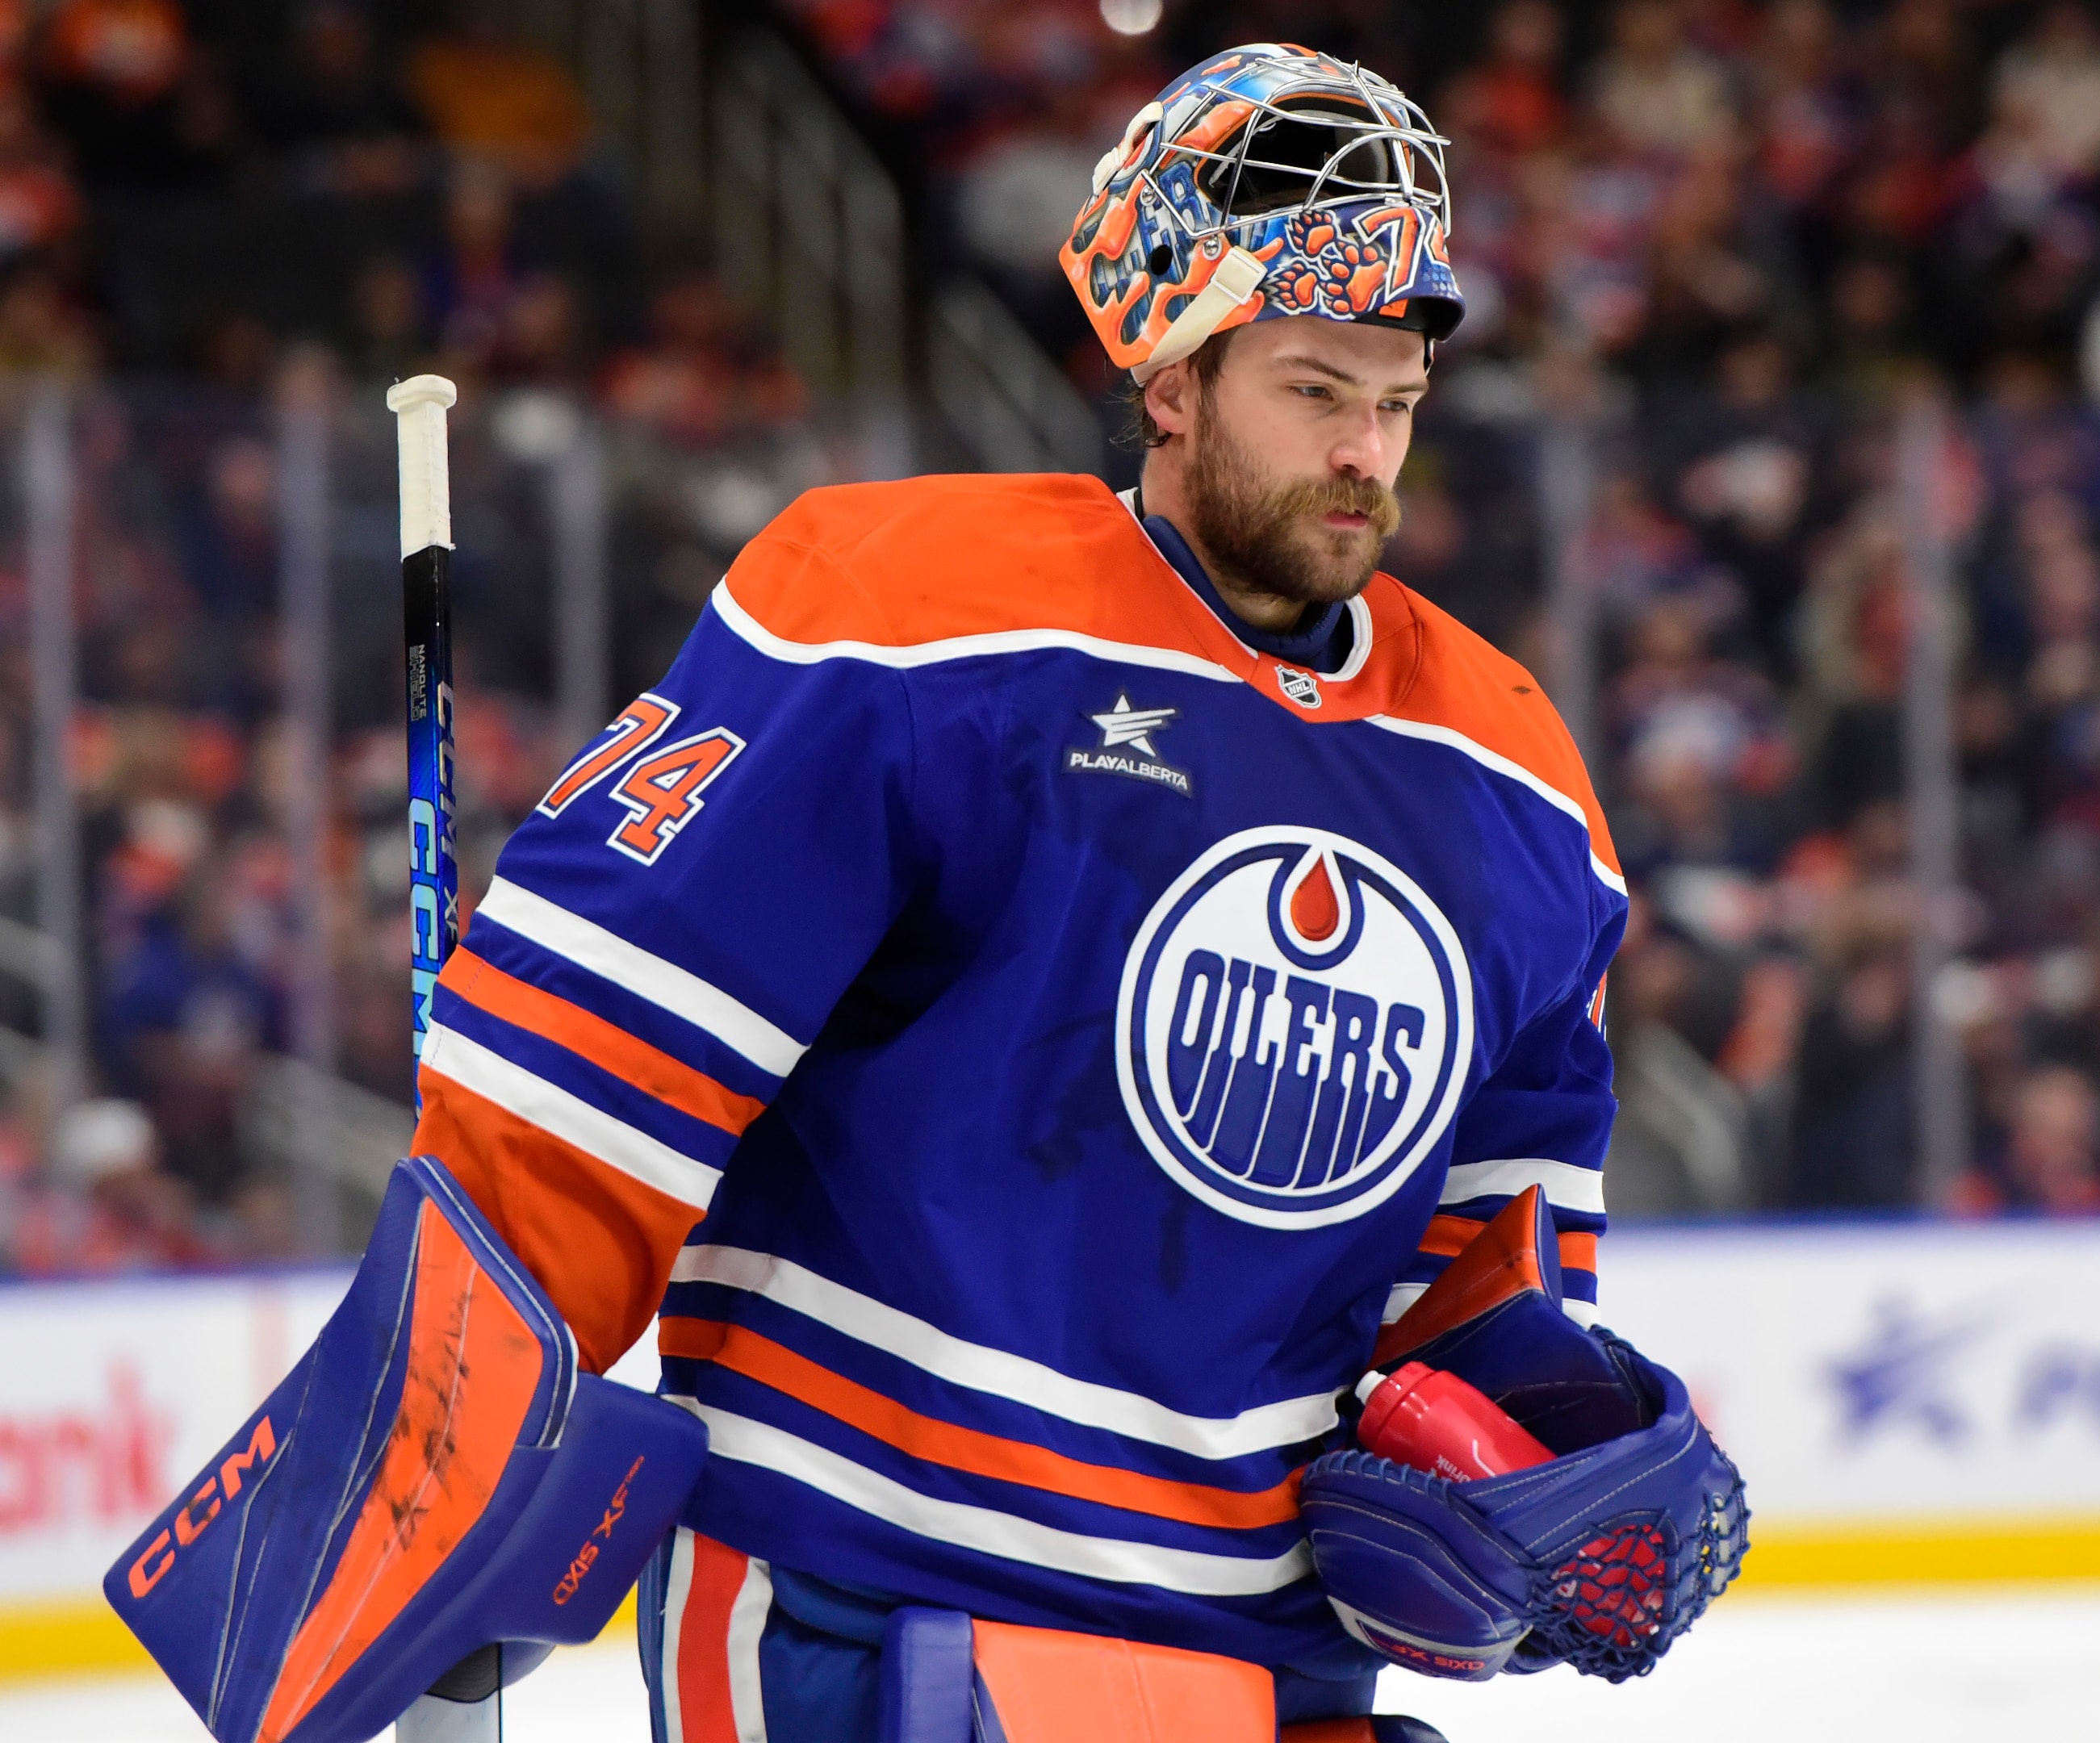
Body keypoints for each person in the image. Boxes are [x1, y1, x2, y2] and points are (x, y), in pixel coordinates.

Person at [206, 45, 1730, 1743]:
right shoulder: (907, 616)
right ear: (1169, 374)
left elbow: (1480, 1264)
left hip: (1268, 1661)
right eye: (1315, 389)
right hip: (871, 1600)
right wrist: (434, 1459)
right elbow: (581, 1089)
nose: (1367, 450)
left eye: (1397, 397)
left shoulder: (1513, 776)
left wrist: (1548, 1437)